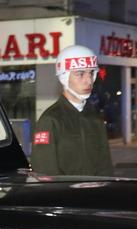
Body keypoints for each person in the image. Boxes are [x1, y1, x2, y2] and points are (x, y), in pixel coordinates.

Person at [30, 44, 114, 176]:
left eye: (91, 73)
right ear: (64, 77)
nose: (88, 80)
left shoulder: (95, 118)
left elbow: (105, 167)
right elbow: (45, 171)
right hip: (65, 195)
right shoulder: (51, 120)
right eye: (80, 74)